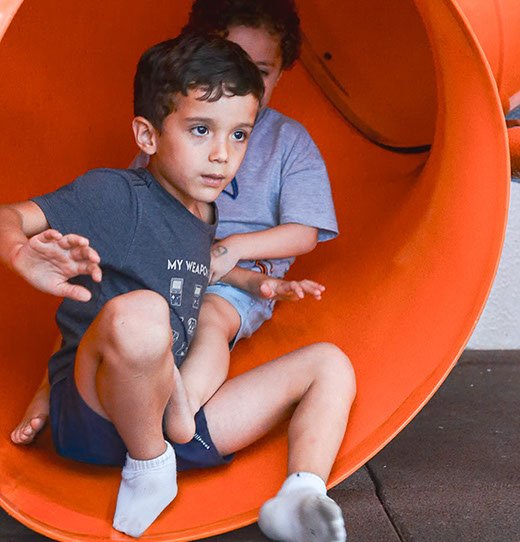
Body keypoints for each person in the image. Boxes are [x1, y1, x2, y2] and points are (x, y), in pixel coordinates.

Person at [1, 33, 356, 540]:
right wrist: (19, 251)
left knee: (330, 363)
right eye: (200, 130)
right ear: (147, 137)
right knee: (144, 312)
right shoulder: (116, 192)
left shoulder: (203, 215)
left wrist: (256, 282)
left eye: (239, 135)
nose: (222, 154)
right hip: (97, 418)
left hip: (175, 424)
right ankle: (149, 467)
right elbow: (8, 216)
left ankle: (300, 494)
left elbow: (194, 274)